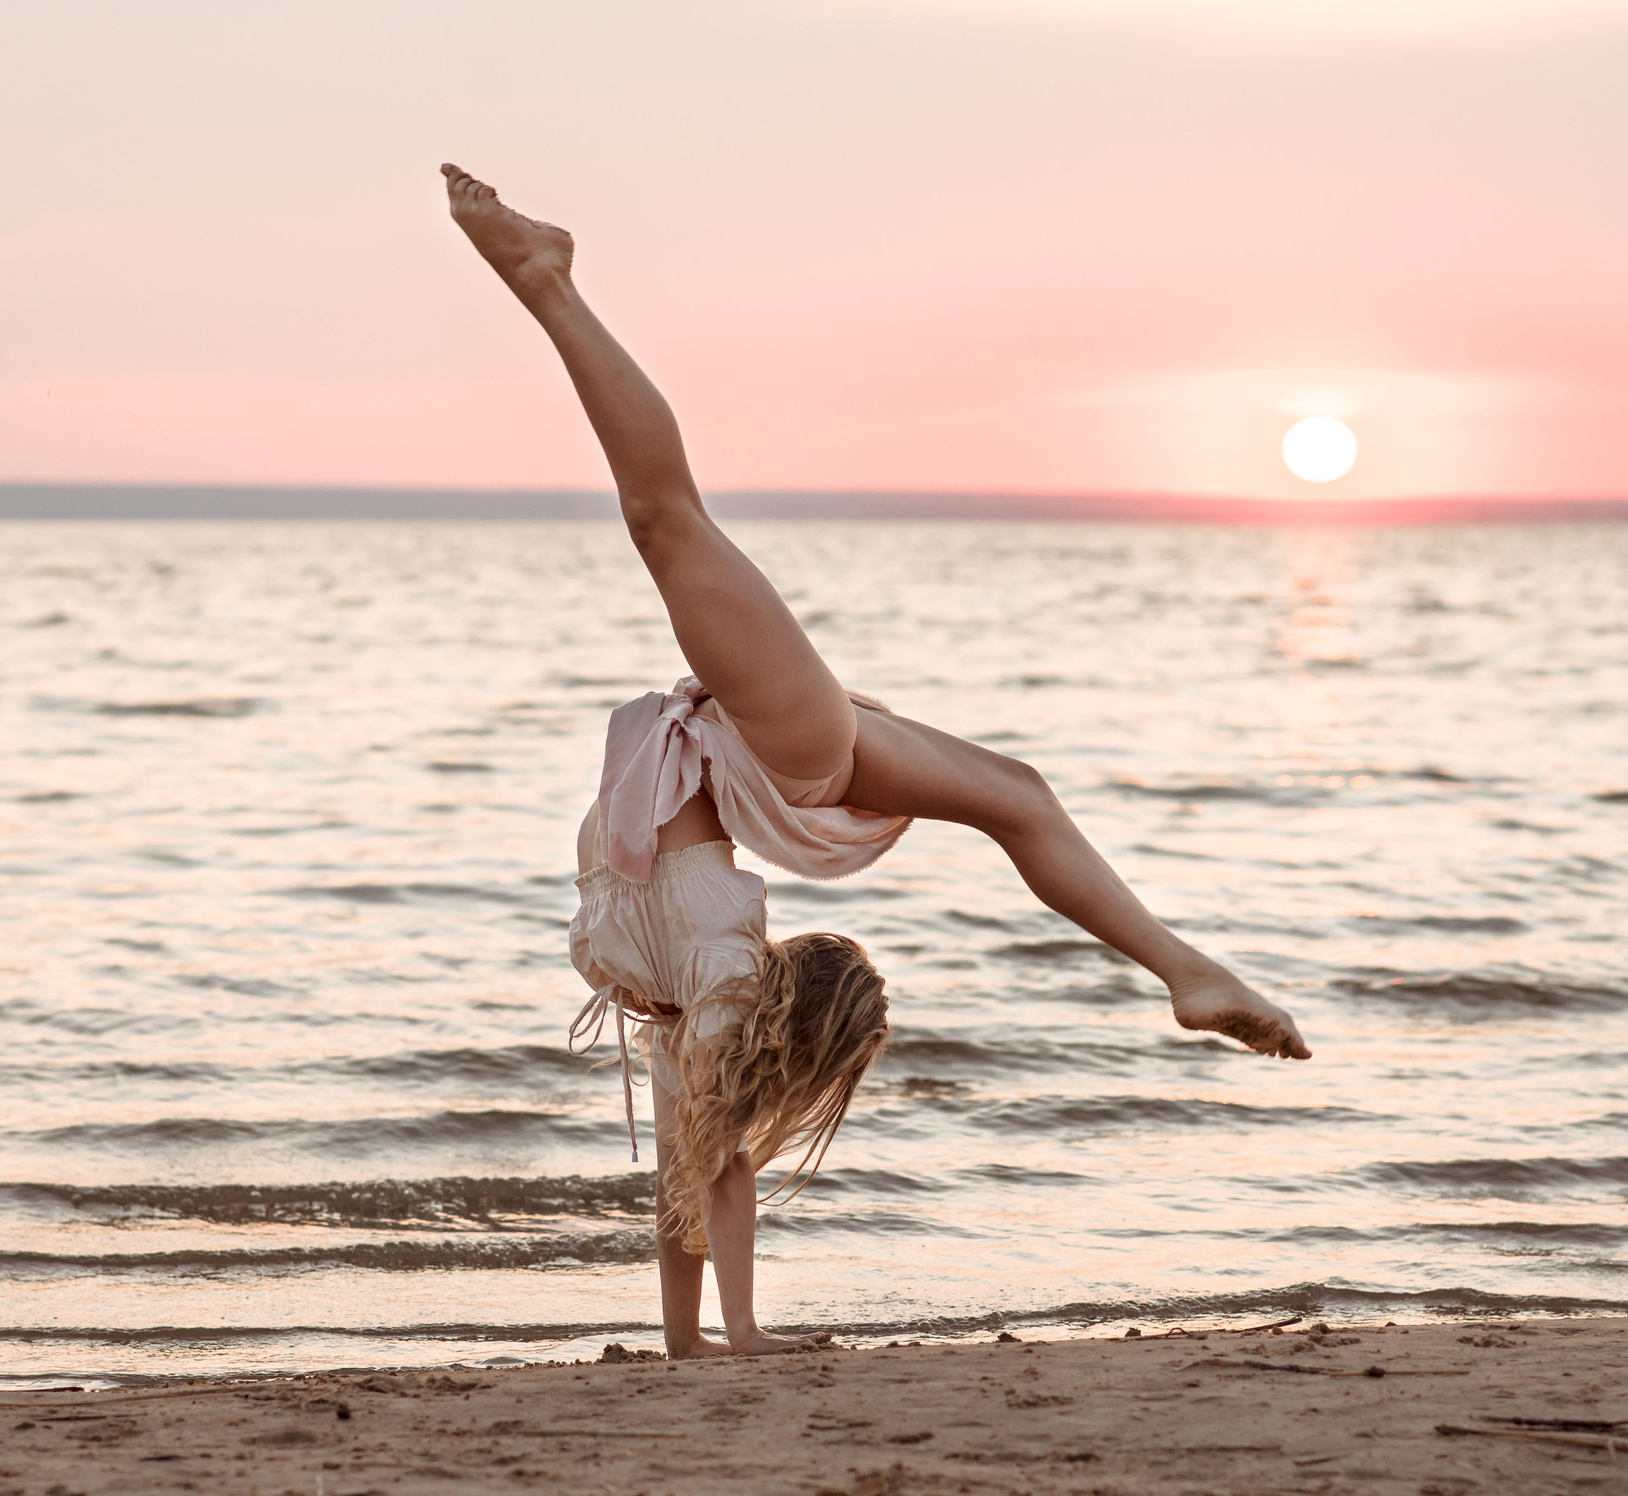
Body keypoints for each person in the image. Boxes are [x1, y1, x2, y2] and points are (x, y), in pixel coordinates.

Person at [442, 163, 1311, 1360]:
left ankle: (546, 283)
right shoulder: (713, 974)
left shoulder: (686, 985)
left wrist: (709, 1343)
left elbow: (704, 1165)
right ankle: (1182, 968)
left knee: (677, 529)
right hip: (788, 756)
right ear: (782, 1022)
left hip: (770, 758)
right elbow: (716, 1154)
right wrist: (722, 1341)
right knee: (1003, 787)